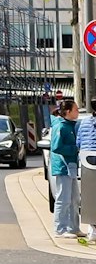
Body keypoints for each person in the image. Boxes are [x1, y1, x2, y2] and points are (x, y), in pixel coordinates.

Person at [47, 99, 82, 238]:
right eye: (76, 109)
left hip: (71, 166)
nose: (78, 112)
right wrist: (75, 149)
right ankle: (60, 229)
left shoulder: (70, 125)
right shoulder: (61, 126)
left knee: (74, 199)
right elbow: (56, 147)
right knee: (64, 198)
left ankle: (73, 228)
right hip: (63, 166)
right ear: (68, 112)